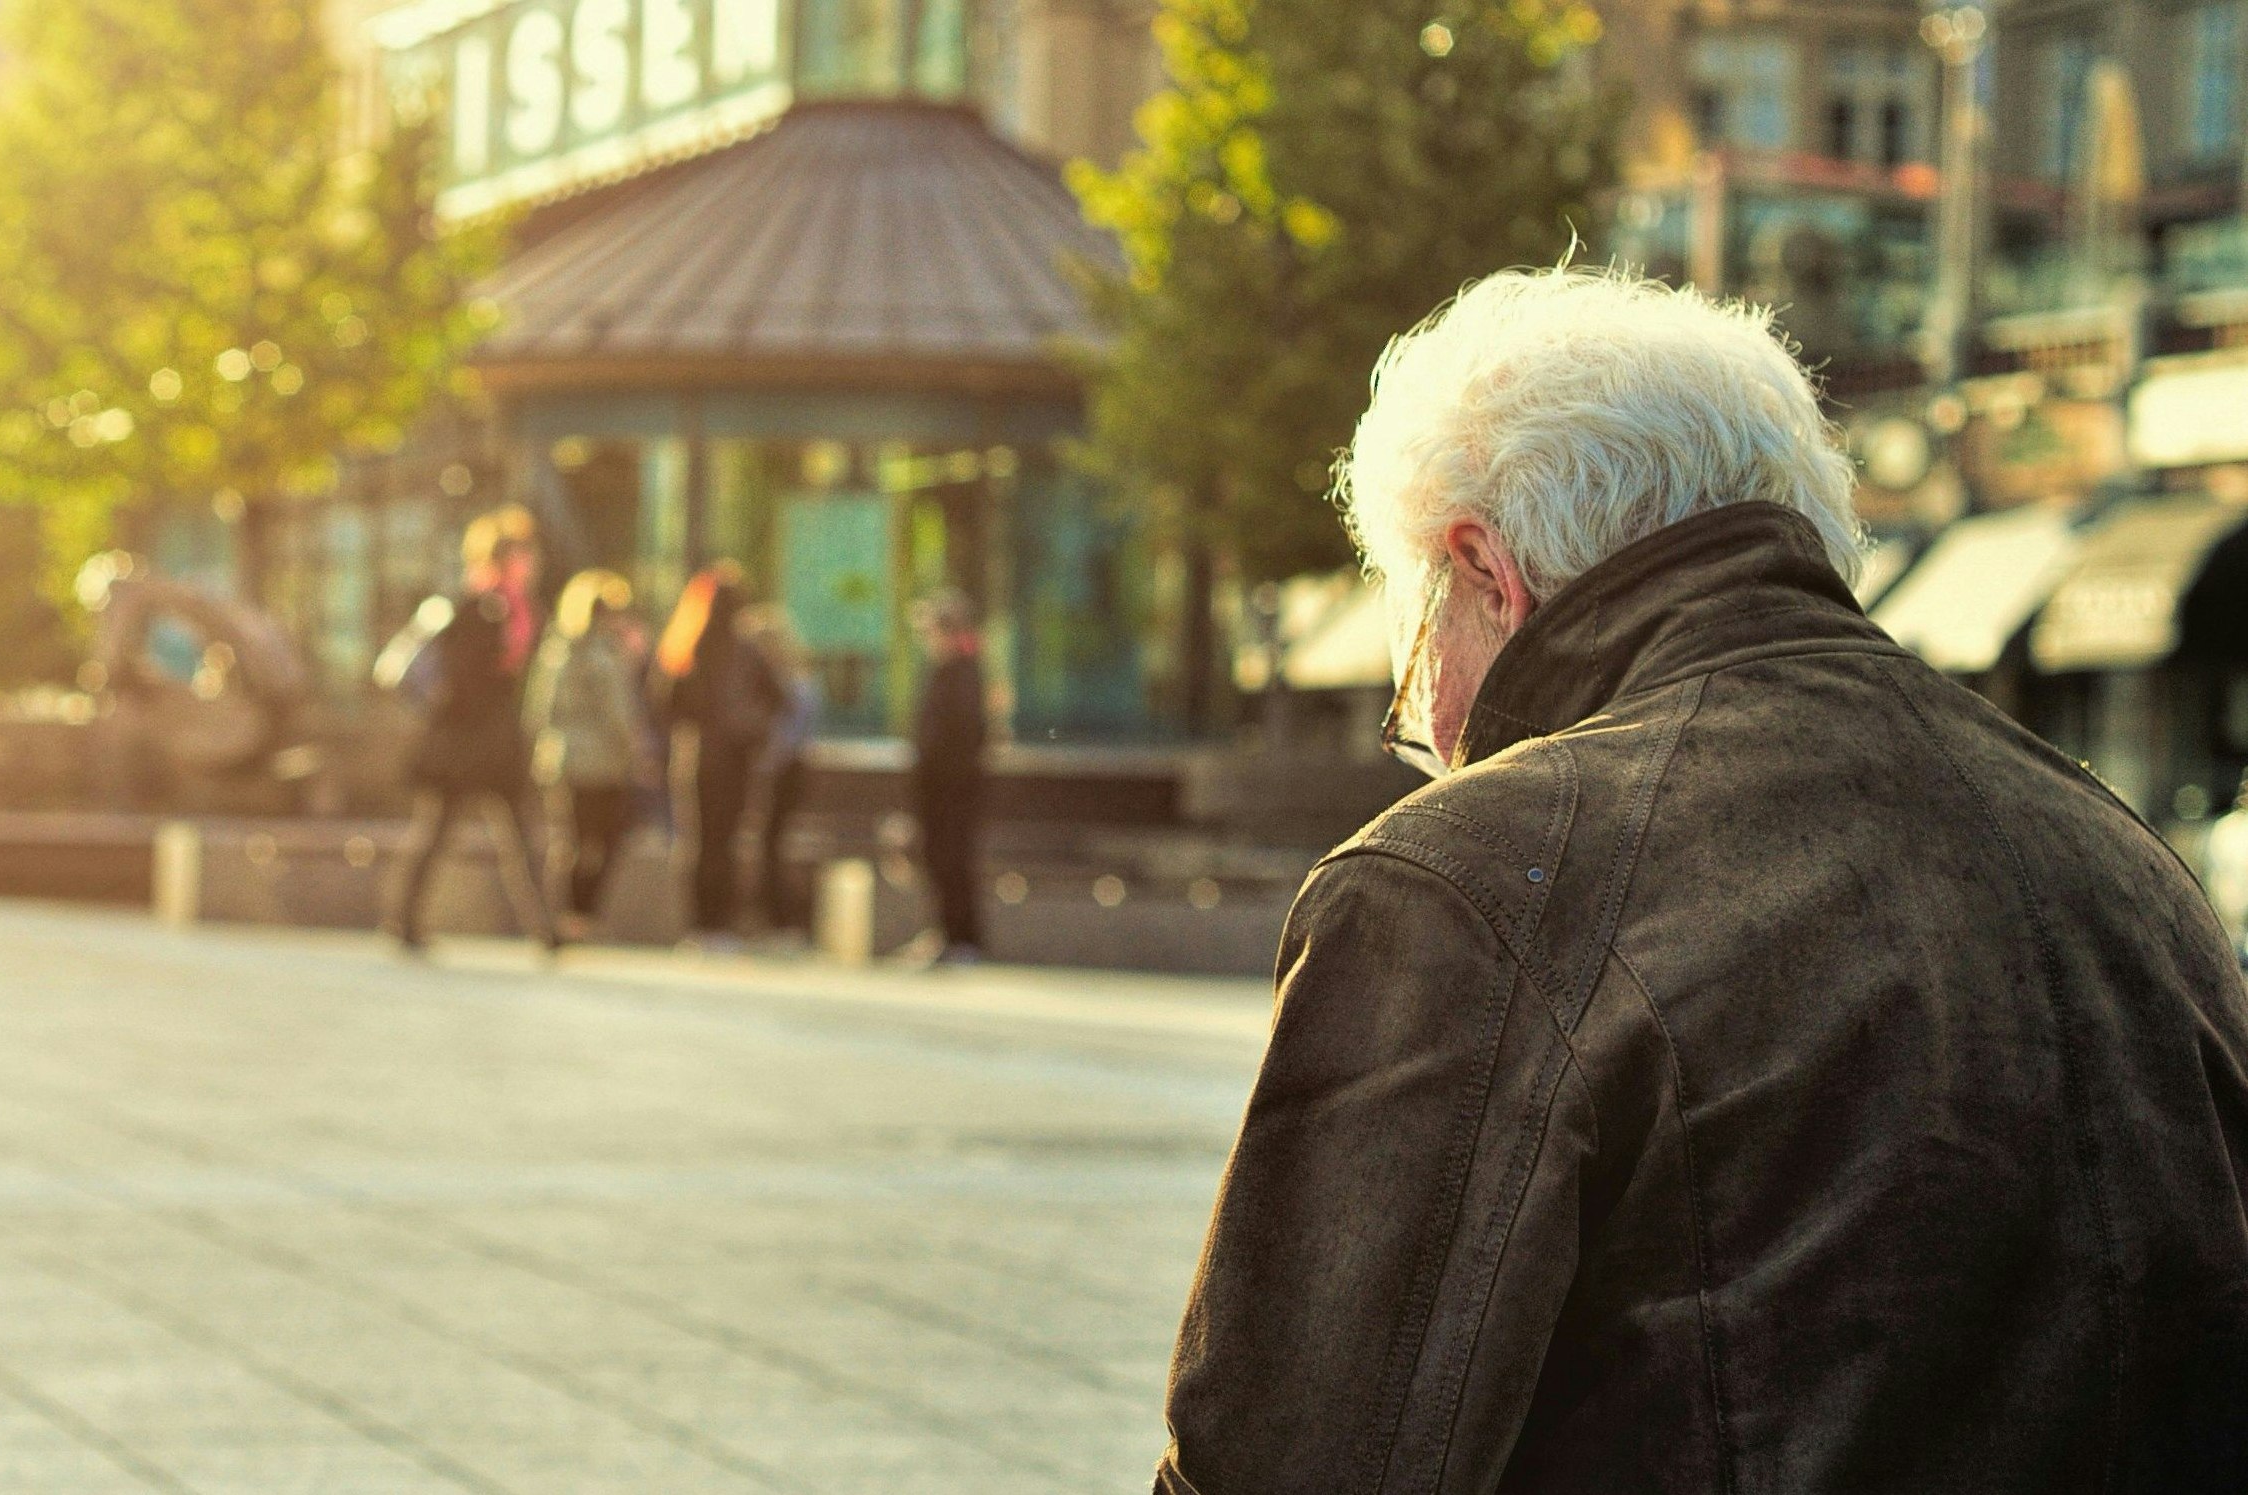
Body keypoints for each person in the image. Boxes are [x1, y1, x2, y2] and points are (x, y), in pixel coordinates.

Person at [1158, 268, 2248, 1492]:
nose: (1432, 730)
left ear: (1485, 571)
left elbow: (1288, 1467)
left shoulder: (1467, 881)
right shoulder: (2130, 865)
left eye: (1414, 663)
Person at [383, 506, 558, 955]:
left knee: (518, 834)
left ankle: (546, 928)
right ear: (506, 558)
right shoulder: (480, 608)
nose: (531, 562)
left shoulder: (515, 608)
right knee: (444, 831)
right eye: (523, 553)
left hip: (491, 741)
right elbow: (465, 679)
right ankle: (403, 920)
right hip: (467, 742)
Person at [653, 565, 785, 946]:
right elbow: (779, 700)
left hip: (697, 756)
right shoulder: (745, 650)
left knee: (700, 841)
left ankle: (701, 924)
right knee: (725, 841)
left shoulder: (687, 644)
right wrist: (750, 726)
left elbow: (664, 703)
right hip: (734, 759)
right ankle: (720, 925)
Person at [525, 568, 651, 944]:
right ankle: (581, 915)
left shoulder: (555, 651)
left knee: (571, 840)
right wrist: (638, 751)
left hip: (560, 760)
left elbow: (537, 712)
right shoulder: (604, 655)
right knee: (607, 839)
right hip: (603, 763)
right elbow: (620, 715)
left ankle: (562, 915)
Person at [909, 591, 986, 966]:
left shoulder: (963, 672)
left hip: (952, 786)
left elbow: (962, 734)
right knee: (939, 858)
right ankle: (948, 933)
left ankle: (960, 937)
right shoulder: (947, 671)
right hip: (939, 784)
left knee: (951, 858)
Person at [740, 604, 818, 935]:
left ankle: (782, 918)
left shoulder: (795, 684)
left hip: (785, 771)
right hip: (774, 767)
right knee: (765, 842)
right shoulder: (776, 682)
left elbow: (793, 734)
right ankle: (768, 916)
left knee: (776, 843)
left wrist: (764, 763)